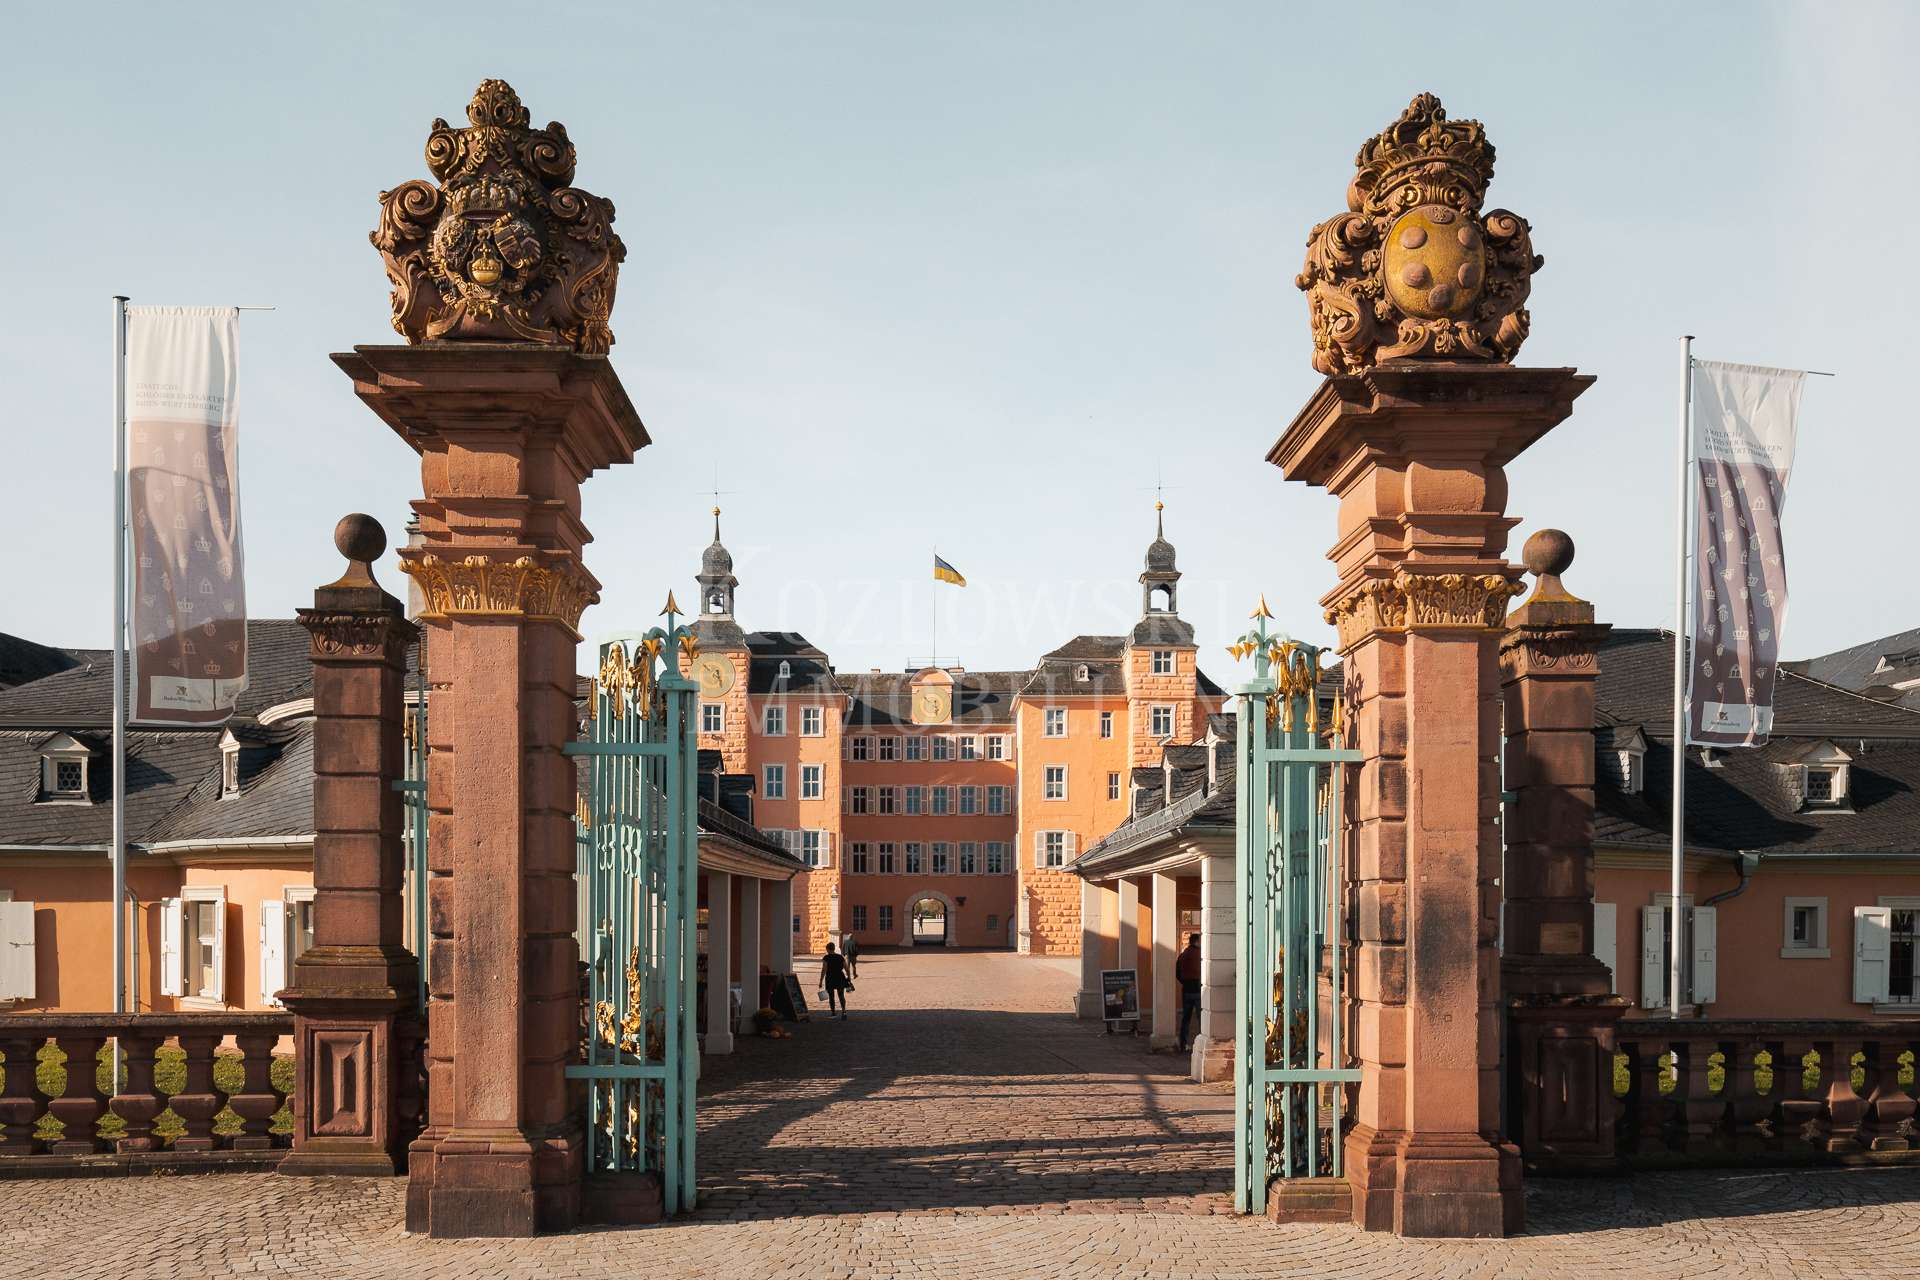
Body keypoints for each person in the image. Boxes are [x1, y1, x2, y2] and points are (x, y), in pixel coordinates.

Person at [1175, 933, 1203, 1053]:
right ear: (1197, 941)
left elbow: (1178, 973)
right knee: (1202, 1018)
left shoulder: (1183, 955)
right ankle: (1202, 1043)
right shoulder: (1200, 955)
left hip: (1186, 989)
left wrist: (1185, 982)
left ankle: (1183, 1043)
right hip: (1198, 989)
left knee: (1186, 1018)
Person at [820, 941, 852, 1019]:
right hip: (840, 977)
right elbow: (847, 968)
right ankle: (844, 1012)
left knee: (831, 996)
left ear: (828, 949)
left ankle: (833, 1013)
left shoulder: (826, 957)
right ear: (834, 949)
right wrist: (849, 977)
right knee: (841, 995)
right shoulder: (840, 957)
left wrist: (820, 981)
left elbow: (824, 969)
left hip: (830, 978)